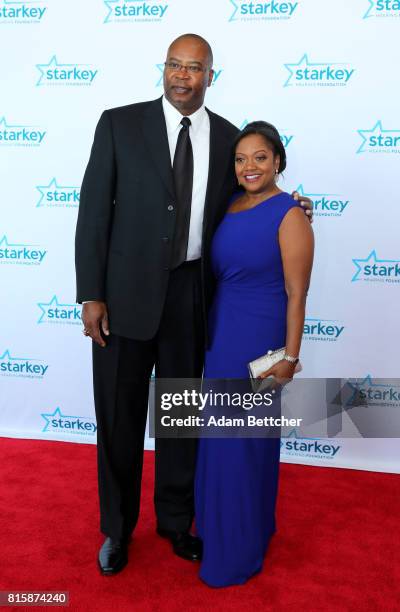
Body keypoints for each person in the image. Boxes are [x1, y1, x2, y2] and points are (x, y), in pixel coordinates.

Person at [75, 34, 313, 576]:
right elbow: (92, 213)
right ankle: (116, 530)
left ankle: (176, 522)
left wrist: (293, 202)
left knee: (180, 417)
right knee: (118, 418)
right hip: (124, 298)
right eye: (175, 66)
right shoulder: (118, 123)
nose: (183, 76)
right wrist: (91, 293)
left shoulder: (229, 137)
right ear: (164, 69)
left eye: (195, 68)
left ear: (211, 75)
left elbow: (252, 195)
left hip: (193, 298)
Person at [195, 121, 314, 587]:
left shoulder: (290, 214)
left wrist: (289, 356)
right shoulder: (228, 205)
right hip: (222, 333)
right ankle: (229, 530)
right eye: (242, 158)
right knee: (222, 441)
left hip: (260, 339)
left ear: (278, 160)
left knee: (243, 443)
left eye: (260, 157)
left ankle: (237, 551)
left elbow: (297, 292)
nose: (250, 166)